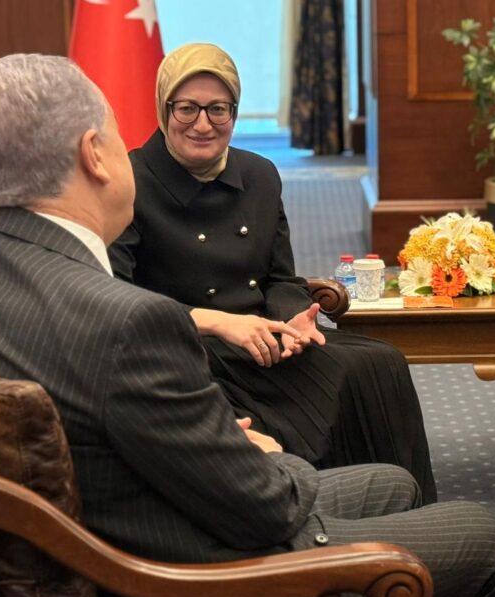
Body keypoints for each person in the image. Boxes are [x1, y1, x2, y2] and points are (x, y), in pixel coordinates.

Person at [0, 54, 495, 597]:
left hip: (91, 526)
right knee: (481, 532)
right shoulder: (131, 322)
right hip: (187, 566)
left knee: (395, 483)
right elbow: (268, 509)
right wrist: (262, 452)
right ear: (94, 154)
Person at [107, 43, 438, 502]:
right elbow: (116, 299)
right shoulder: (129, 181)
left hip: (265, 339)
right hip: (183, 346)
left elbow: (280, 278)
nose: (202, 124)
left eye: (218, 109)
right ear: (164, 109)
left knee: (379, 364)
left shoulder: (259, 174)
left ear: (235, 112)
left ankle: (398, 510)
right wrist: (220, 322)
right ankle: (317, 511)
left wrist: (295, 317)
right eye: (187, 108)